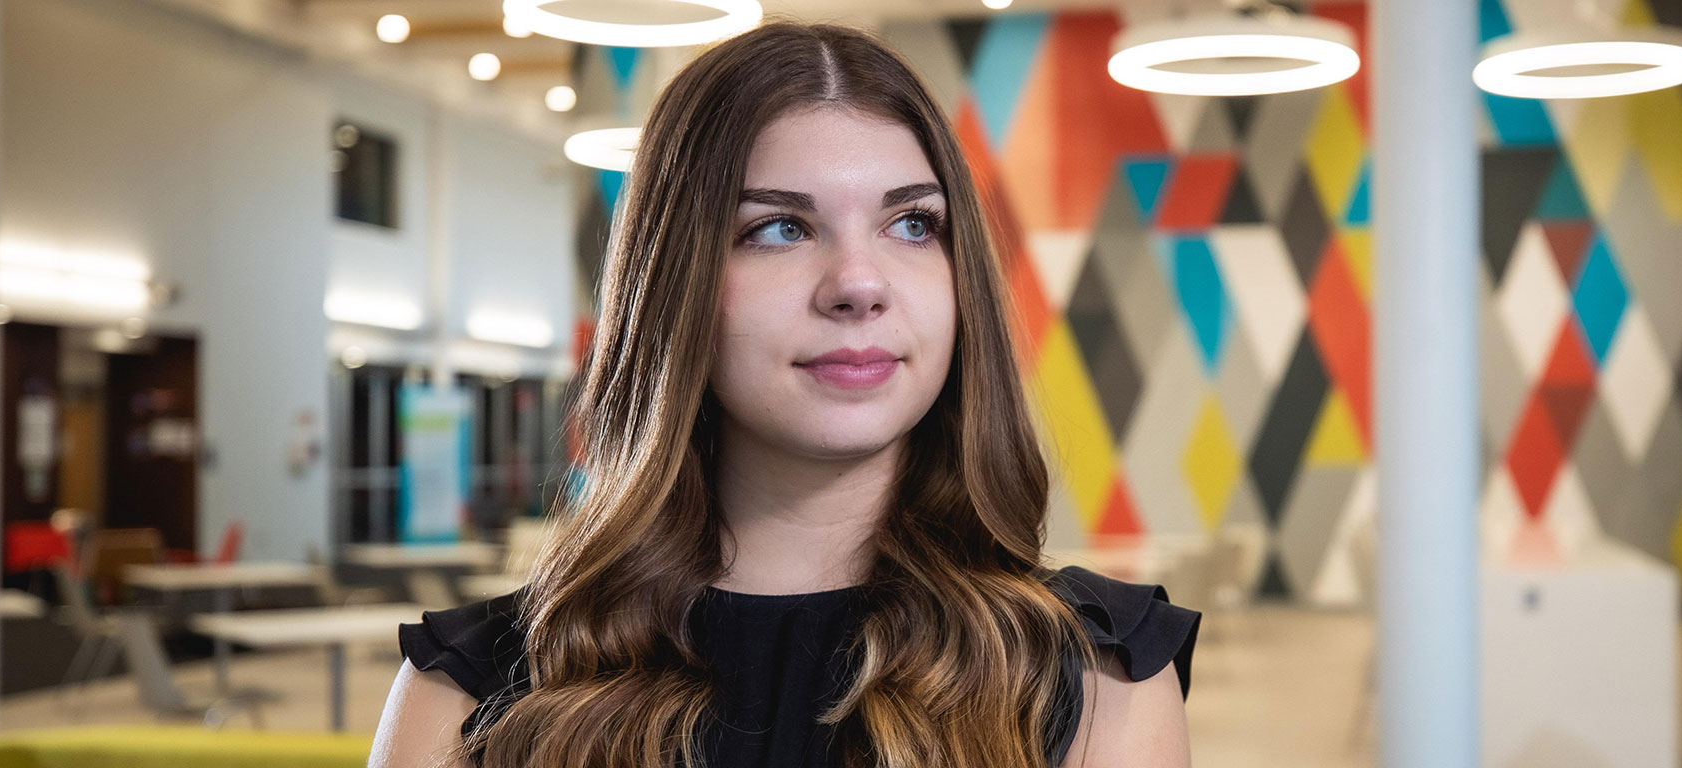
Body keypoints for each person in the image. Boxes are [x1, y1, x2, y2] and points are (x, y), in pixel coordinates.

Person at [370, 21, 1199, 768]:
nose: (859, 284)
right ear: (675, 286)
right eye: (779, 228)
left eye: (913, 223)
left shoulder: (1098, 675)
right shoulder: (469, 692)